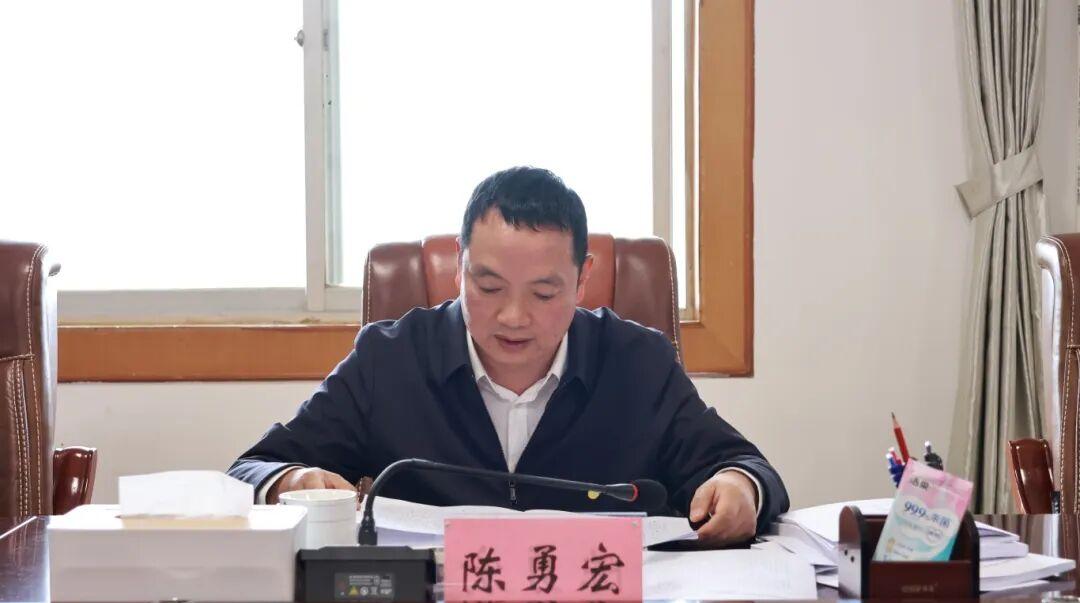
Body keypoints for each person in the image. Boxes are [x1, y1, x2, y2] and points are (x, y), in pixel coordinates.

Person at [228, 166, 788, 546]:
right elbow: (251, 469)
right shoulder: (390, 359)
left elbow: (747, 469)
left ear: (582, 279)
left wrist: (739, 487)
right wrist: (291, 480)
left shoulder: (637, 362)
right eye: (490, 286)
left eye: (543, 293)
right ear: (459, 266)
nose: (514, 317)